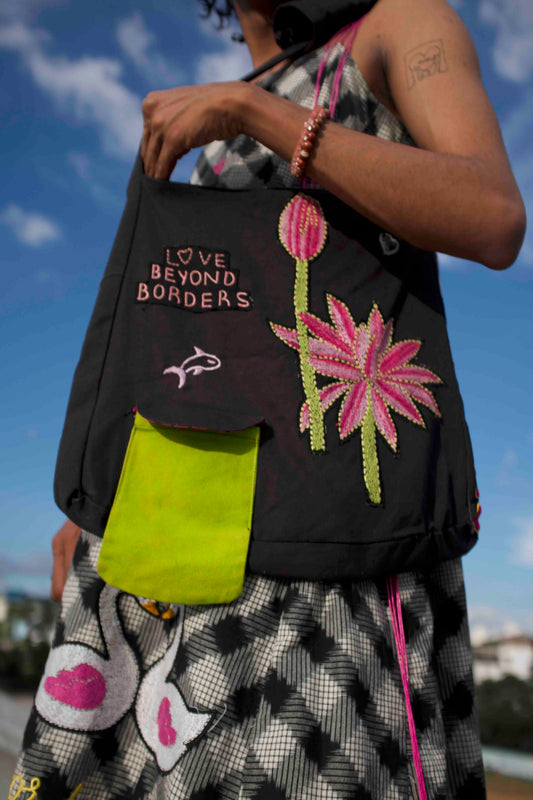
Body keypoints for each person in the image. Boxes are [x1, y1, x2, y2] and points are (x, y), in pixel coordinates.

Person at [12, 0, 525, 799]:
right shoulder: (234, 89)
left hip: (332, 540)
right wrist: (94, 508)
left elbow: (492, 215)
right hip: (176, 529)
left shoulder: (397, 24)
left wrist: (262, 114)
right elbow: (199, 336)